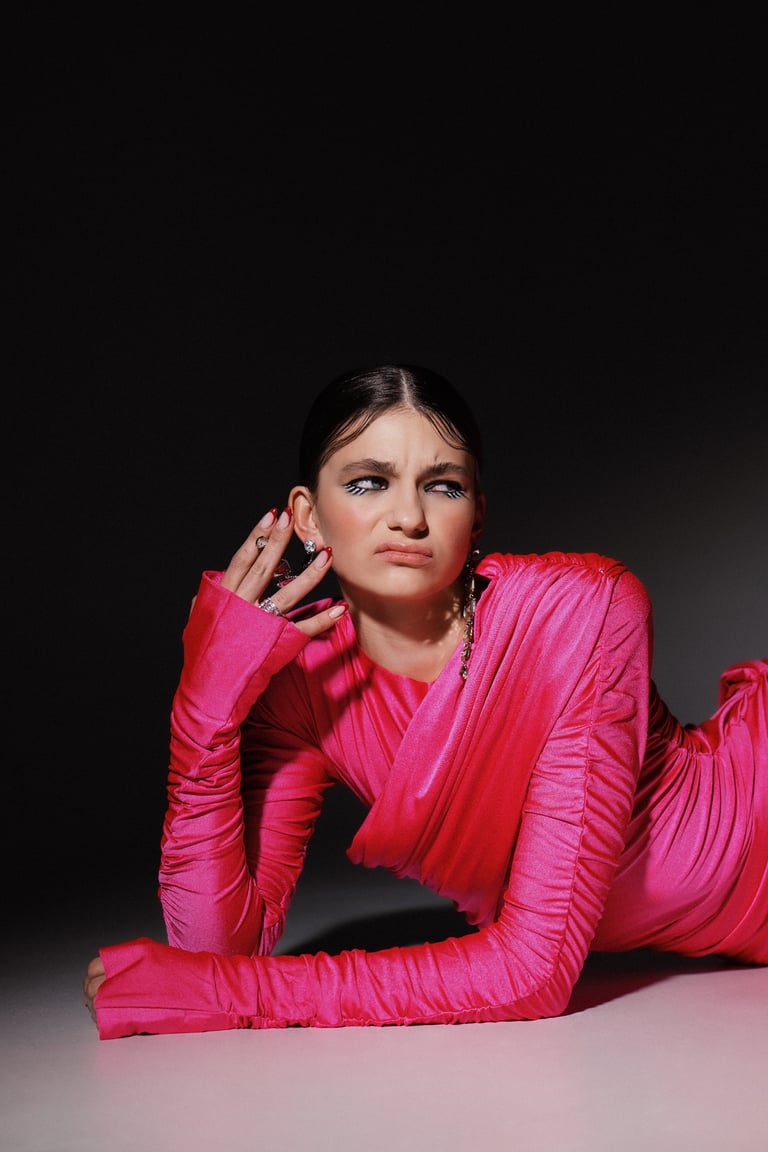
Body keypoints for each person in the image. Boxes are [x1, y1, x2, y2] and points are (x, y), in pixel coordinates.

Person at [83, 363, 767, 1039]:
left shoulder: (581, 612)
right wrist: (204, 702)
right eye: (368, 482)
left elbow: (533, 972)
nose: (409, 517)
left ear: (476, 516)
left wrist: (228, 994)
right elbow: (214, 952)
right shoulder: (305, 687)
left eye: (443, 486)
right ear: (308, 517)